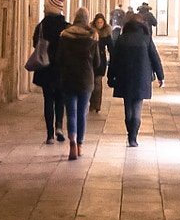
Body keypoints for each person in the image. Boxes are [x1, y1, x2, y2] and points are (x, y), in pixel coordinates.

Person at [108, 12, 163, 147]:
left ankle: (130, 134)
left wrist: (110, 77)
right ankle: (134, 137)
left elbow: (114, 60)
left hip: (124, 78)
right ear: (141, 24)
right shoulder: (146, 38)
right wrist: (160, 76)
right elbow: (155, 58)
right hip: (141, 79)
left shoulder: (121, 39)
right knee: (137, 107)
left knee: (128, 108)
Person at [55, 8, 98, 160]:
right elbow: (97, 62)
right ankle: (80, 145)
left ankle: (72, 141)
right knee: (82, 113)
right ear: (87, 20)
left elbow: (58, 58)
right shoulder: (93, 37)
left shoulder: (65, 36)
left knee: (71, 113)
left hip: (68, 78)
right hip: (86, 79)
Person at [32, 0, 68, 143]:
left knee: (48, 100)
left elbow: (35, 44)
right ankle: (59, 126)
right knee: (60, 99)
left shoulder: (41, 26)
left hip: (45, 68)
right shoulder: (66, 27)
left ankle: (50, 135)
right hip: (62, 68)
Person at [89, 14, 111, 113]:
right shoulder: (90, 32)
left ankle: (97, 105)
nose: (99, 24)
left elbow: (111, 47)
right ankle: (91, 103)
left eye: (101, 22)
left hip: (101, 61)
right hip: (90, 60)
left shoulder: (106, 33)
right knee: (91, 83)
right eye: (98, 22)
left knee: (98, 83)